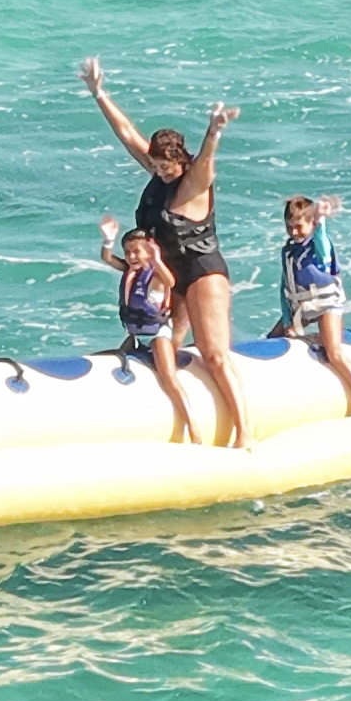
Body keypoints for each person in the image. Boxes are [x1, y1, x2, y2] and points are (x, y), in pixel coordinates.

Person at [79, 59, 251, 448]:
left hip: (203, 272)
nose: (160, 173)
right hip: (171, 278)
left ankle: (244, 432)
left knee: (214, 354)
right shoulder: (159, 173)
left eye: (166, 167)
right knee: (165, 352)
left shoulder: (193, 182)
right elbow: (127, 134)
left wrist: (214, 131)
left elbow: (206, 162)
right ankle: (181, 426)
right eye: (155, 166)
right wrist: (98, 93)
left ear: (180, 160)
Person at [272, 193, 351, 417]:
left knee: (333, 351)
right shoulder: (288, 251)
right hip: (303, 308)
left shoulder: (319, 246)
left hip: (327, 304)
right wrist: (287, 321)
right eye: (289, 227)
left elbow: (322, 239)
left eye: (299, 226)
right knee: (272, 338)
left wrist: (321, 218)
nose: (293, 232)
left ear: (312, 224)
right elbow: (284, 288)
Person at [100, 214, 192, 436]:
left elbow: (170, 281)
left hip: (157, 336)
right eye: (127, 252)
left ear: (149, 253)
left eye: (136, 251)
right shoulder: (130, 272)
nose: (131, 256)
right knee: (110, 361)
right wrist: (108, 240)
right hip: (135, 337)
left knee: (169, 379)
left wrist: (157, 260)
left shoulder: (156, 277)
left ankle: (193, 428)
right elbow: (107, 258)